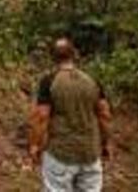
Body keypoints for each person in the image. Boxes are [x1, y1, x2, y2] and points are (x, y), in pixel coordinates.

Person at [29, 38, 113, 192]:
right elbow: (105, 114)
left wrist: (35, 145)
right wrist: (106, 143)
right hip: (90, 155)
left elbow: (42, 117)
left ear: (53, 58)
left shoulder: (49, 81)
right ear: (74, 55)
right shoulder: (91, 81)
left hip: (60, 155)